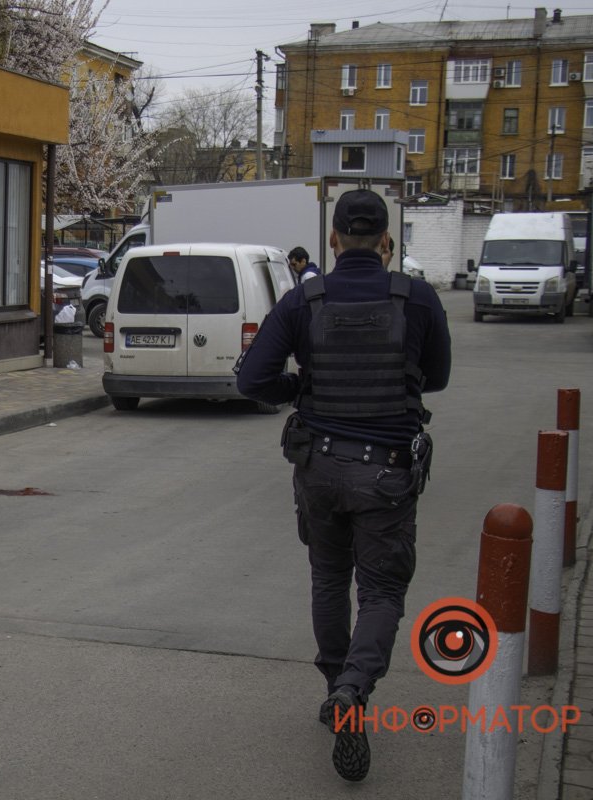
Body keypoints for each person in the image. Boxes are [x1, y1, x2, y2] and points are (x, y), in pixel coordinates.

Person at [236, 190, 451, 783]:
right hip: (386, 471)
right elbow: (437, 378)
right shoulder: (419, 298)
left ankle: (337, 687)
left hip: (320, 466)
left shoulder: (306, 298)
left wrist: (300, 392)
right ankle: (355, 691)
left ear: (333, 240)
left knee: (329, 577)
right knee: (381, 592)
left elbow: (253, 379)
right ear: (386, 242)